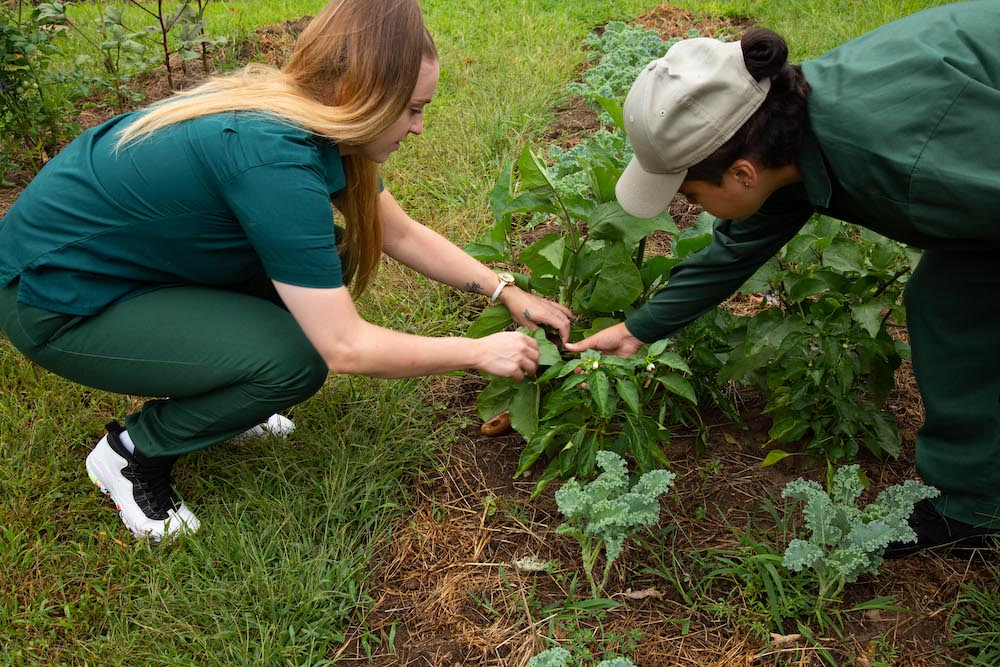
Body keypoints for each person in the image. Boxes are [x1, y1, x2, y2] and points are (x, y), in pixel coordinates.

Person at [0, 0, 574, 542]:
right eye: (414, 108)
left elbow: (396, 232)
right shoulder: (274, 157)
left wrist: (509, 291)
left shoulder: (308, 113)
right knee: (296, 360)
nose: (419, 127)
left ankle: (223, 390)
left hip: (128, 266)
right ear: (360, 94)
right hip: (56, 299)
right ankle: (131, 453)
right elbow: (345, 347)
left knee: (334, 253)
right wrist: (476, 352)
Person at [566, 1, 999, 556]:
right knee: (950, 300)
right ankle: (973, 509)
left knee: (960, 295)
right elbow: (736, 249)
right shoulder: (786, 130)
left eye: (690, 194)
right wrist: (638, 329)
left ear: (741, 173)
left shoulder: (904, 162)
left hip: (968, 147)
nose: (686, 204)